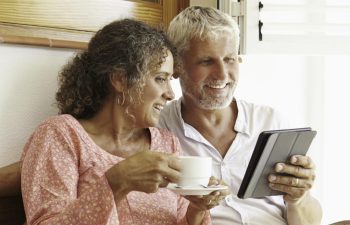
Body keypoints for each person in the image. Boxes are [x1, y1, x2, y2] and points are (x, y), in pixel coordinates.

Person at [18, 19, 226, 225]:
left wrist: (197, 209)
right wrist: (117, 181)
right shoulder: (62, 135)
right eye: (160, 78)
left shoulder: (166, 143)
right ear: (120, 79)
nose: (170, 94)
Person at [158, 6, 322, 225]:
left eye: (230, 59)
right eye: (207, 61)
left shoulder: (272, 122)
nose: (222, 75)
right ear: (177, 67)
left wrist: (299, 198)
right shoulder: (156, 130)